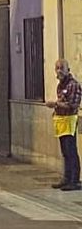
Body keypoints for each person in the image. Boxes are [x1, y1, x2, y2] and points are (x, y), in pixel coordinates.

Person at [46, 59, 81, 191]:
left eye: (62, 68)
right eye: (57, 68)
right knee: (65, 152)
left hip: (69, 120)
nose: (59, 70)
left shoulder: (73, 85)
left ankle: (74, 180)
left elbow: (73, 105)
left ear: (68, 69)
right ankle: (66, 178)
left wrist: (55, 104)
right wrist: (56, 109)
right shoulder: (61, 85)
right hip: (61, 121)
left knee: (71, 150)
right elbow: (61, 101)